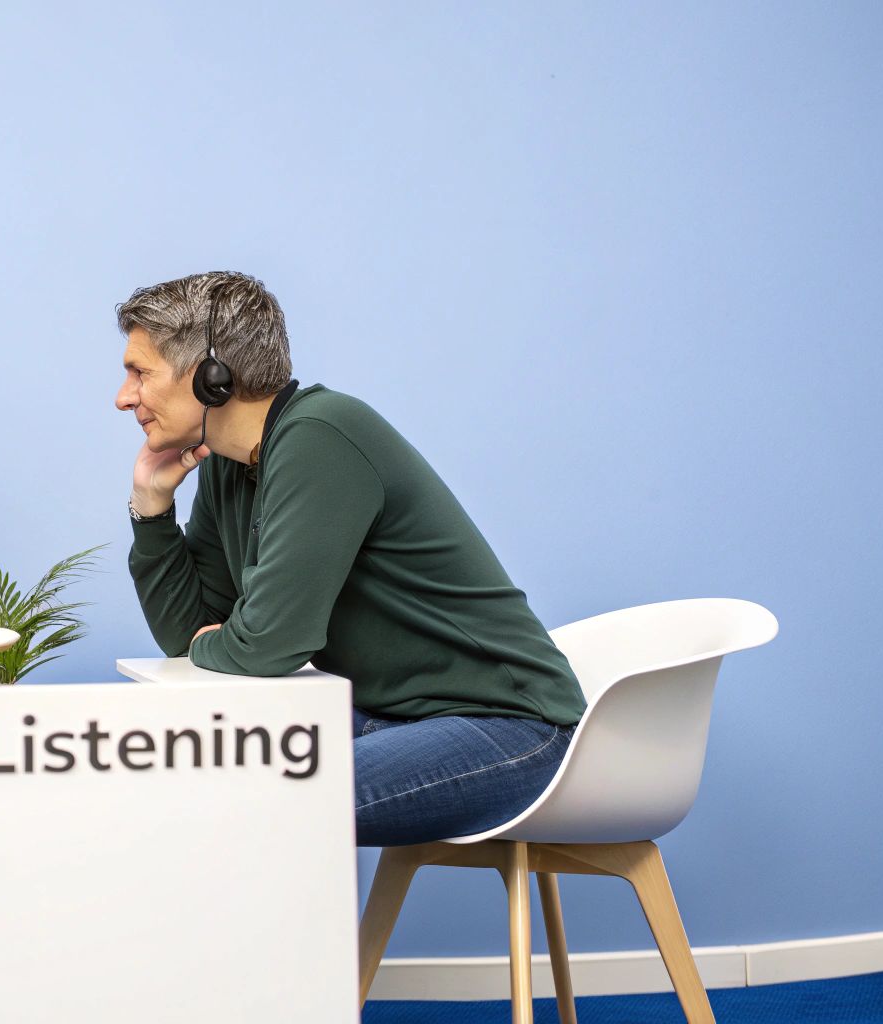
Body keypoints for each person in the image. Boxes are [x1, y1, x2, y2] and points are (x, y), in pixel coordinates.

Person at [115, 270, 585, 847]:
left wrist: (218, 643)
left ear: (213, 375)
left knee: (261, 797)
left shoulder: (321, 436)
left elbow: (269, 645)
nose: (124, 397)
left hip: (510, 727)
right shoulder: (228, 466)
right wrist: (152, 510)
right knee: (189, 769)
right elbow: (188, 634)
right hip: (389, 719)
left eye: (140, 373)